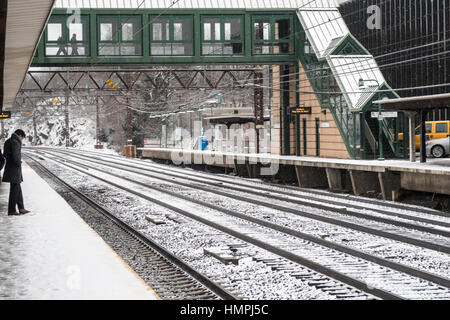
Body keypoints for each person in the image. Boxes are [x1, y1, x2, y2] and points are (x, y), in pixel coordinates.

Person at [3, 129, 30, 216]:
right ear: (20, 135)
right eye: (22, 138)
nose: (21, 139)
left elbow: (5, 154)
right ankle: (11, 210)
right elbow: (15, 155)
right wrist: (18, 162)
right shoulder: (15, 142)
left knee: (17, 187)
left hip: (11, 167)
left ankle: (21, 208)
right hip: (14, 168)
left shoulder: (8, 141)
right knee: (14, 189)